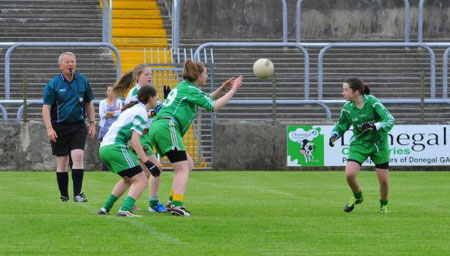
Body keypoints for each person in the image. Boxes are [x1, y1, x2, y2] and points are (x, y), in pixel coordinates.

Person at [148, 60, 243, 216]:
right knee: (182, 168)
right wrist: (232, 91)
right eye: (205, 72)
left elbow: (205, 99)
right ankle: (177, 205)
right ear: (197, 75)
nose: (207, 75)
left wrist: (222, 89)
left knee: (188, 163)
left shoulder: (186, 88)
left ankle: (172, 201)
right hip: (167, 126)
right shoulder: (190, 89)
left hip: (159, 127)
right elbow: (213, 106)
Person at [329, 78, 395, 214]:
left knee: (383, 181)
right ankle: (358, 196)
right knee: (349, 174)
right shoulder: (347, 108)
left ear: (357, 92)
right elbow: (341, 125)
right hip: (359, 143)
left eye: (346, 90)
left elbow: (389, 120)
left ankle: (384, 204)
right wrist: (334, 135)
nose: (343, 93)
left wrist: (374, 126)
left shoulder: (373, 102)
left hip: (379, 144)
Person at [97, 86, 161, 217]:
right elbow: (135, 141)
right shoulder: (140, 112)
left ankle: (105, 208)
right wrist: (147, 162)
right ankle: (125, 209)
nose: (157, 99)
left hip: (104, 148)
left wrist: (154, 113)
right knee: (142, 180)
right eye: (156, 97)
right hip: (116, 147)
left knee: (128, 179)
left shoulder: (133, 109)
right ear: (150, 98)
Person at [113, 64, 168, 213]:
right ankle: (153, 203)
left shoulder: (144, 92)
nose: (149, 77)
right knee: (155, 167)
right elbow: (136, 115)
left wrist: (164, 103)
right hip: (139, 136)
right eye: (146, 74)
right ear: (138, 76)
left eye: (150, 74)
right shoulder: (135, 93)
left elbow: (154, 110)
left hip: (145, 135)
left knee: (141, 173)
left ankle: (124, 203)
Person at [42, 52, 96, 202]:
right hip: (59, 127)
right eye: (67, 62)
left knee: (78, 156)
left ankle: (78, 194)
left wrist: (92, 123)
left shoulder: (83, 81)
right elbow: (46, 108)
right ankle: (64, 196)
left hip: (78, 126)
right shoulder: (53, 84)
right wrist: (49, 128)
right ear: (60, 66)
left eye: (73, 62)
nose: (71, 64)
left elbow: (89, 103)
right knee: (63, 161)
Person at [98, 85, 123, 171]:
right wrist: (113, 113)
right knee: (104, 147)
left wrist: (108, 113)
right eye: (108, 90)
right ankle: (104, 168)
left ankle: (115, 167)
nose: (110, 93)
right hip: (104, 129)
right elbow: (102, 115)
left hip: (115, 129)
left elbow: (119, 113)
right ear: (106, 92)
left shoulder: (119, 101)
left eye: (112, 91)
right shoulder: (102, 102)